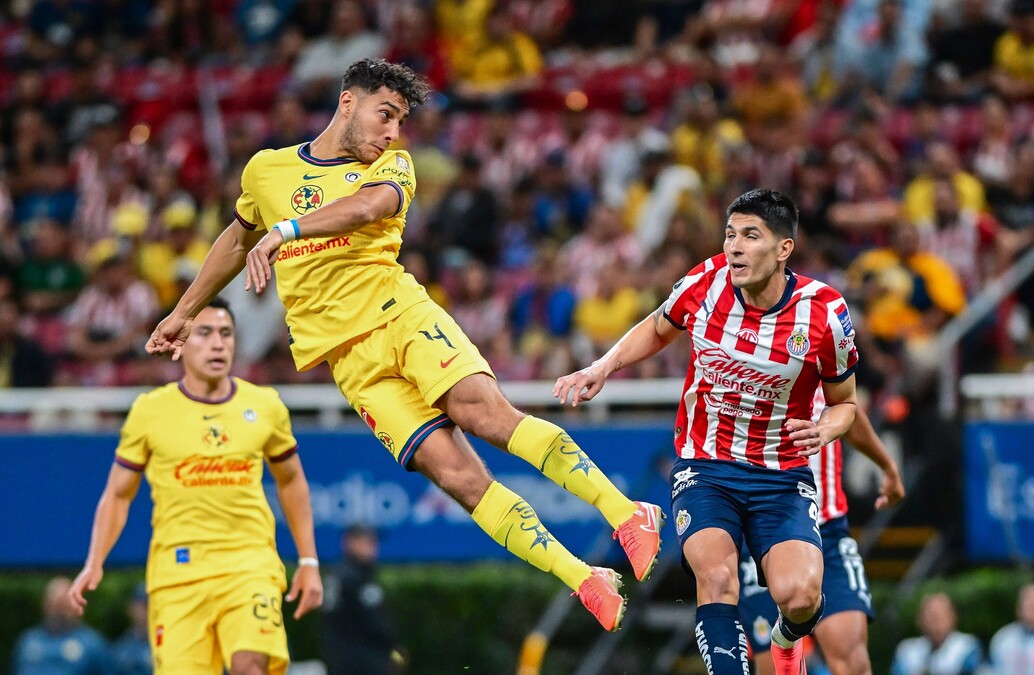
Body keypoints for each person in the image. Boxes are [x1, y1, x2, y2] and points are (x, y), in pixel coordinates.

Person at [145, 58, 661, 632]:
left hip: (401, 318)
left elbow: (368, 208)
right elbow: (238, 238)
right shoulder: (266, 171)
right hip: (348, 362)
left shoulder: (393, 165)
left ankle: (626, 513)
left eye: (400, 121)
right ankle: (584, 577)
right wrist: (183, 312)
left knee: (484, 414)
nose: (392, 132)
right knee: (458, 479)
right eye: (385, 114)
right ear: (348, 101)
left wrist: (286, 229)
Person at [555, 189, 862, 675]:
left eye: (750, 236)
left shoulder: (823, 311)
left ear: (784, 248)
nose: (734, 247)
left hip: (781, 474)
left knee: (801, 597)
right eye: (730, 234)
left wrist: (825, 430)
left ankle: (785, 641)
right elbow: (659, 326)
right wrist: (603, 366)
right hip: (706, 466)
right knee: (717, 579)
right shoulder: (706, 281)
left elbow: (845, 403)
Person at [69, 298, 323, 674]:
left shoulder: (265, 405)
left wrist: (308, 560)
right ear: (181, 343)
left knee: (250, 666)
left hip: (249, 563)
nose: (218, 344)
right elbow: (119, 495)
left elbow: (291, 480)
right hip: (178, 571)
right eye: (204, 333)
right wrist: (94, 562)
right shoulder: (150, 411)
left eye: (226, 334)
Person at [738, 389, 905, 675]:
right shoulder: (745, 370)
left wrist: (887, 466)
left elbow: (848, 408)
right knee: (775, 666)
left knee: (853, 662)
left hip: (827, 527)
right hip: (764, 535)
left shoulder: (826, 364)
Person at [322, 524, 404, 675]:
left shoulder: (345, 574)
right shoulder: (351, 578)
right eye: (366, 542)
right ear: (349, 542)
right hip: (360, 662)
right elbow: (375, 624)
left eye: (374, 542)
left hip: (347, 660)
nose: (372, 548)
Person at [13, 577, 115, 675]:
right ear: (45, 604)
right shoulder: (28, 640)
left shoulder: (93, 644)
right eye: (55, 605)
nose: (59, 612)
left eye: (64, 605)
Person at [892, 593, 984, 675]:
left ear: (953, 617)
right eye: (931, 616)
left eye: (941, 615)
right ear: (919, 620)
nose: (936, 623)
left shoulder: (967, 646)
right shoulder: (906, 651)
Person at [110, 584, 153, 675]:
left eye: (149, 606)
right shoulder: (121, 646)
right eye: (142, 606)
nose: (146, 611)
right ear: (131, 608)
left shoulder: (168, 642)